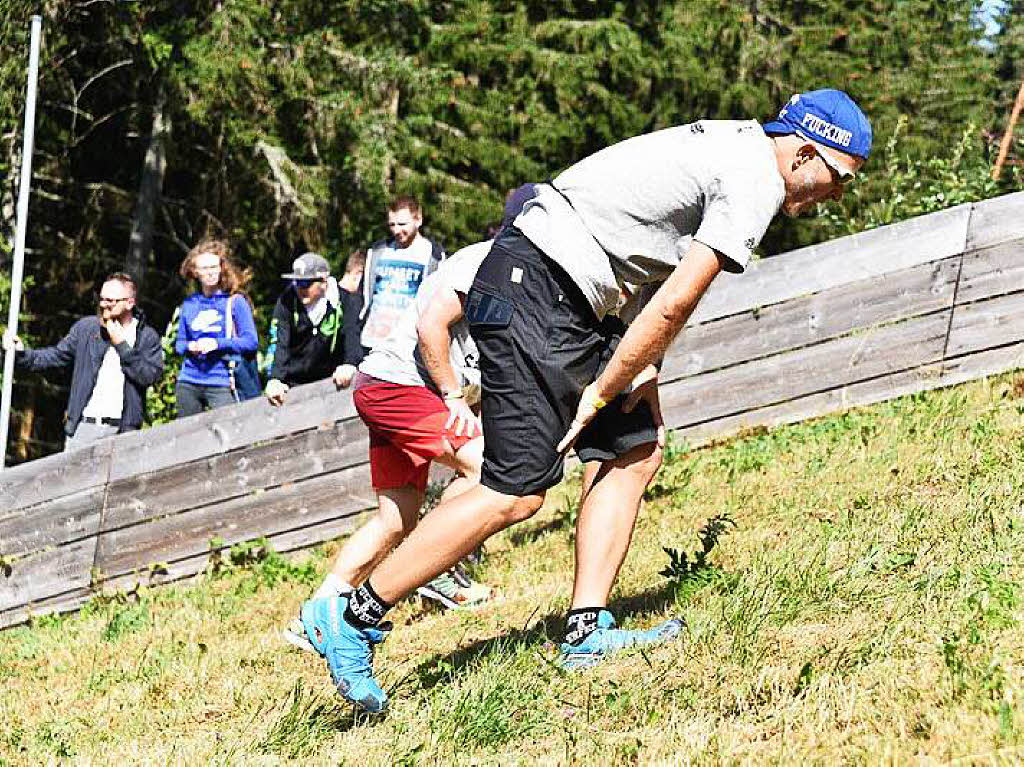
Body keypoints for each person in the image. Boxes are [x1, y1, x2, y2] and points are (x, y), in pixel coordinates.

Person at [299, 88, 873, 713]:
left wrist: (634, 374)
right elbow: (677, 298)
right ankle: (354, 617)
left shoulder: (736, 148)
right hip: (535, 289)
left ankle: (585, 631)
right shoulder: (757, 177)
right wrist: (605, 382)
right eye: (838, 180)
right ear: (807, 152)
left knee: (635, 446)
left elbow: (637, 254)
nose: (832, 197)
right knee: (514, 491)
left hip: (568, 295)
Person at [281, 240, 498, 653]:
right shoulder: (483, 264)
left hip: (382, 385)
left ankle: (313, 619)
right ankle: (435, 567)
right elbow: (431, 329)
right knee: (488, 468)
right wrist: (456, 397)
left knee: (394, 521)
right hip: (398, 387)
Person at [5, 272, 163, 449]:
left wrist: (122, 346)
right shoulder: (86, 329)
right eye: (101, 299)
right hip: (83, 428)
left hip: (123, 431)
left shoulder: (146, 337)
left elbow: (150, 376)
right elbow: (55, 356)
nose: (104, 305)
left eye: (111, 301)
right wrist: (22, 353)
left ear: (129, 303)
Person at [265, 252, 364, 406]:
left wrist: (350, 364)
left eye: (306, 283)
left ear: (323, 282)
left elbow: (352, 334)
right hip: (295, 383)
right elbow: (278, 341)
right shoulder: (287, 301)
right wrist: (275, 379)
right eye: (297, 283)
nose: (300, 289)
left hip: (332, 381)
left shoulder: (344, 301)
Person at [174, 240, 260, 416]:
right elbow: (180, 343)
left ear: (221, 268)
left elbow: (251, 342)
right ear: (195, 272)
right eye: (205, 268)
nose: (211, 272)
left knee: (229, 434)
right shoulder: (189, 304)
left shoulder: (235, 302)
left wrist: (217, 344)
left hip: (222, 381)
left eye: (214, 267)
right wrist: (191, 347)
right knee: (187, 436)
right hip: (189, 380)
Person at [359, 195, 445, 354]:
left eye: (402, 224)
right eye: (392, 224)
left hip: (408, 345)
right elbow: (364, 296)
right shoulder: (377, 252)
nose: (397, 230)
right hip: (372, 342)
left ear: (418, 220)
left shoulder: (433, 256)